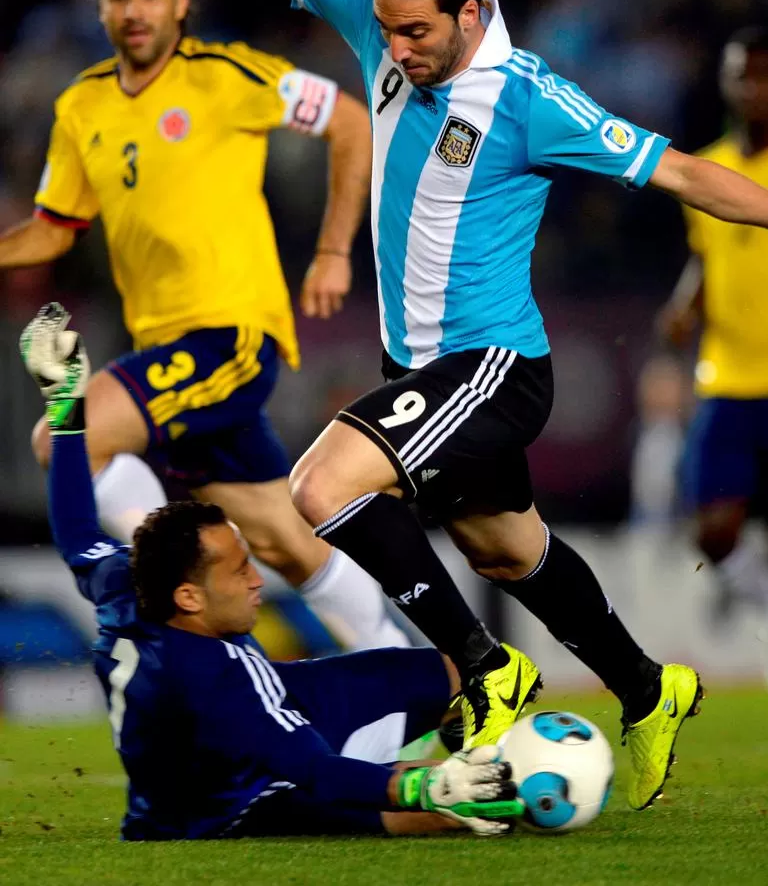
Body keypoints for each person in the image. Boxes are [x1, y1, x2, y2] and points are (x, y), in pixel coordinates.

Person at [239, 0, 768, 810]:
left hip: (490, 367)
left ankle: (481, 667)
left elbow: (676, 168)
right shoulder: (380, 11)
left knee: (319, 488)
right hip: (417, 368)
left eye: (417, 34)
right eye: (386, 32)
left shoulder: (527, 98)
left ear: (470, 13)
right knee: (506, 551)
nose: (396, 51)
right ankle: (650, 690)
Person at [0, 0, 408, 653]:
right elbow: (52, 230)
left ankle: (162, 575)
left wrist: (331, 253)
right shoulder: (81, 107)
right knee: (284, 541)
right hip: (168, 358)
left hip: (230, 338)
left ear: (181, 3)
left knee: (62, 436)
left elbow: (350, 123)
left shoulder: (228, 76)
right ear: (100, 8)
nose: (134, 9)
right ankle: (420, 676)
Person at [19, 302, 521, 840]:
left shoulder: (127, 583)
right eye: (239, 572)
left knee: (450, 672)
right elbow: (314, 771)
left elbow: (76, 529)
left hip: (245, 724)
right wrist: (424, 789)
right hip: (230, 802)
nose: (257, 580)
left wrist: (65, 400)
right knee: (459, 812)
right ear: (189, 596)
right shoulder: (220, 675)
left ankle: (460, 746)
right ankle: (475, 780)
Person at [658, 28, 768, 733]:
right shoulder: (708, 167)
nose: (750, 88)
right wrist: (684, 304)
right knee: (714, 533)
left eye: (763, 75)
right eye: (739, 76)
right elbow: (708, 252)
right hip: (726, 377)